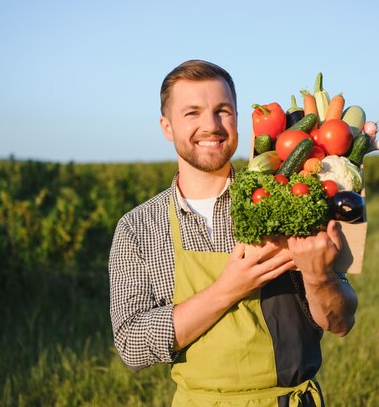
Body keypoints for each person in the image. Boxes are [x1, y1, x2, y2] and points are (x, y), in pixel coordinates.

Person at [108, 59, 358, 407]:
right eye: (192, 113)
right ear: (167, 127)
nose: (210, 126)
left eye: (222, 111)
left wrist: (319, 276)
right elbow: (131, 345)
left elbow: (342, 321)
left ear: (238, 119)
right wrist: (229, 288)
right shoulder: (139, 227)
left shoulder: (288, 197)